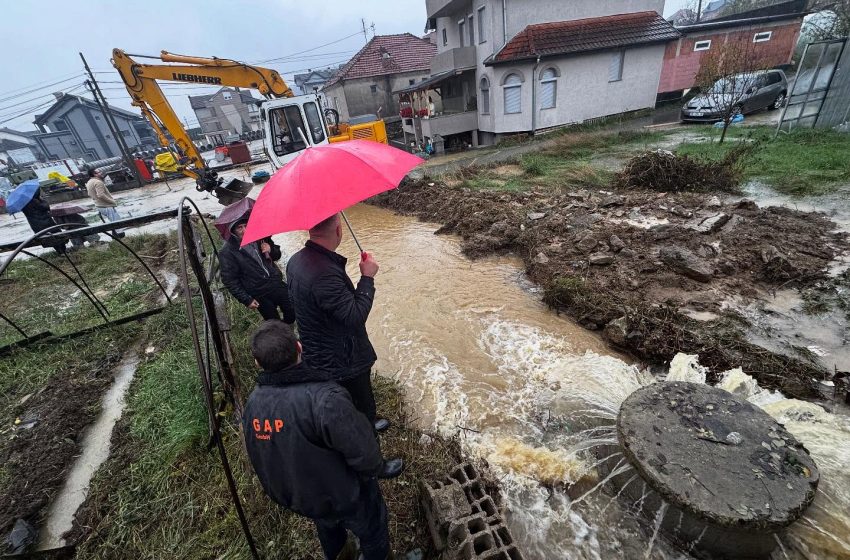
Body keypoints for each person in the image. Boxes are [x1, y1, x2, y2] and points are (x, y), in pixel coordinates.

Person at [243, 320, 402, 560]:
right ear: (299, 347)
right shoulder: (325, 399)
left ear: (258, 363)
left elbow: (259, 454)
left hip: (304, 498)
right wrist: (374, 471)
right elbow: (365, 453)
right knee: (373, 532)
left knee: (330, 532)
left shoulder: (253, 403)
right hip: (346, 495)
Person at [286, 213, 389, 433]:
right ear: (339, 229)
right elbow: (354, 316)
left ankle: (364, 422)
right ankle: (373, 461)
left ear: (310, 230)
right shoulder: (323, 273)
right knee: (360, 405)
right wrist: (367, 278)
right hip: (341, 360)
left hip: (320, 350)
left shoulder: (297, 260)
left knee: (348, 403)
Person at [219, 217, 295, 323]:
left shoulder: (260, 237)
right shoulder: (227, 252)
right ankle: (281, 335)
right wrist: (246, 299)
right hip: (259, 293)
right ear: (233, 230)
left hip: (276, 283)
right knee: (273, 323)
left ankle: (287, 328)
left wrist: (271, 250)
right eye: (240, 228)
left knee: (293, 312)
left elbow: (277, 255)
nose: (244, 231)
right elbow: (229, 280)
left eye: (246, 226)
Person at [21, 190, 67, 255]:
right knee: (57, 236)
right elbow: (46, 207)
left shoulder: (23, 204)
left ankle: (60, 252)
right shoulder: (35, 201)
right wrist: (42, 200)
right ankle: (63, 251)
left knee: (49, 239)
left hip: (36, 226)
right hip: (47, 223)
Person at [85, 168, 125, 238]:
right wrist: (112, 201)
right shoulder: (98, 182)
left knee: (113, 224)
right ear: (95, 174)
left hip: (99, 206)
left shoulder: (89, 182)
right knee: (117, 224)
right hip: (106, 206)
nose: (101, 173)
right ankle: (122, 239)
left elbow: (89, 194)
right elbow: (100, 195)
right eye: (99, 172)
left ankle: (115, 239)